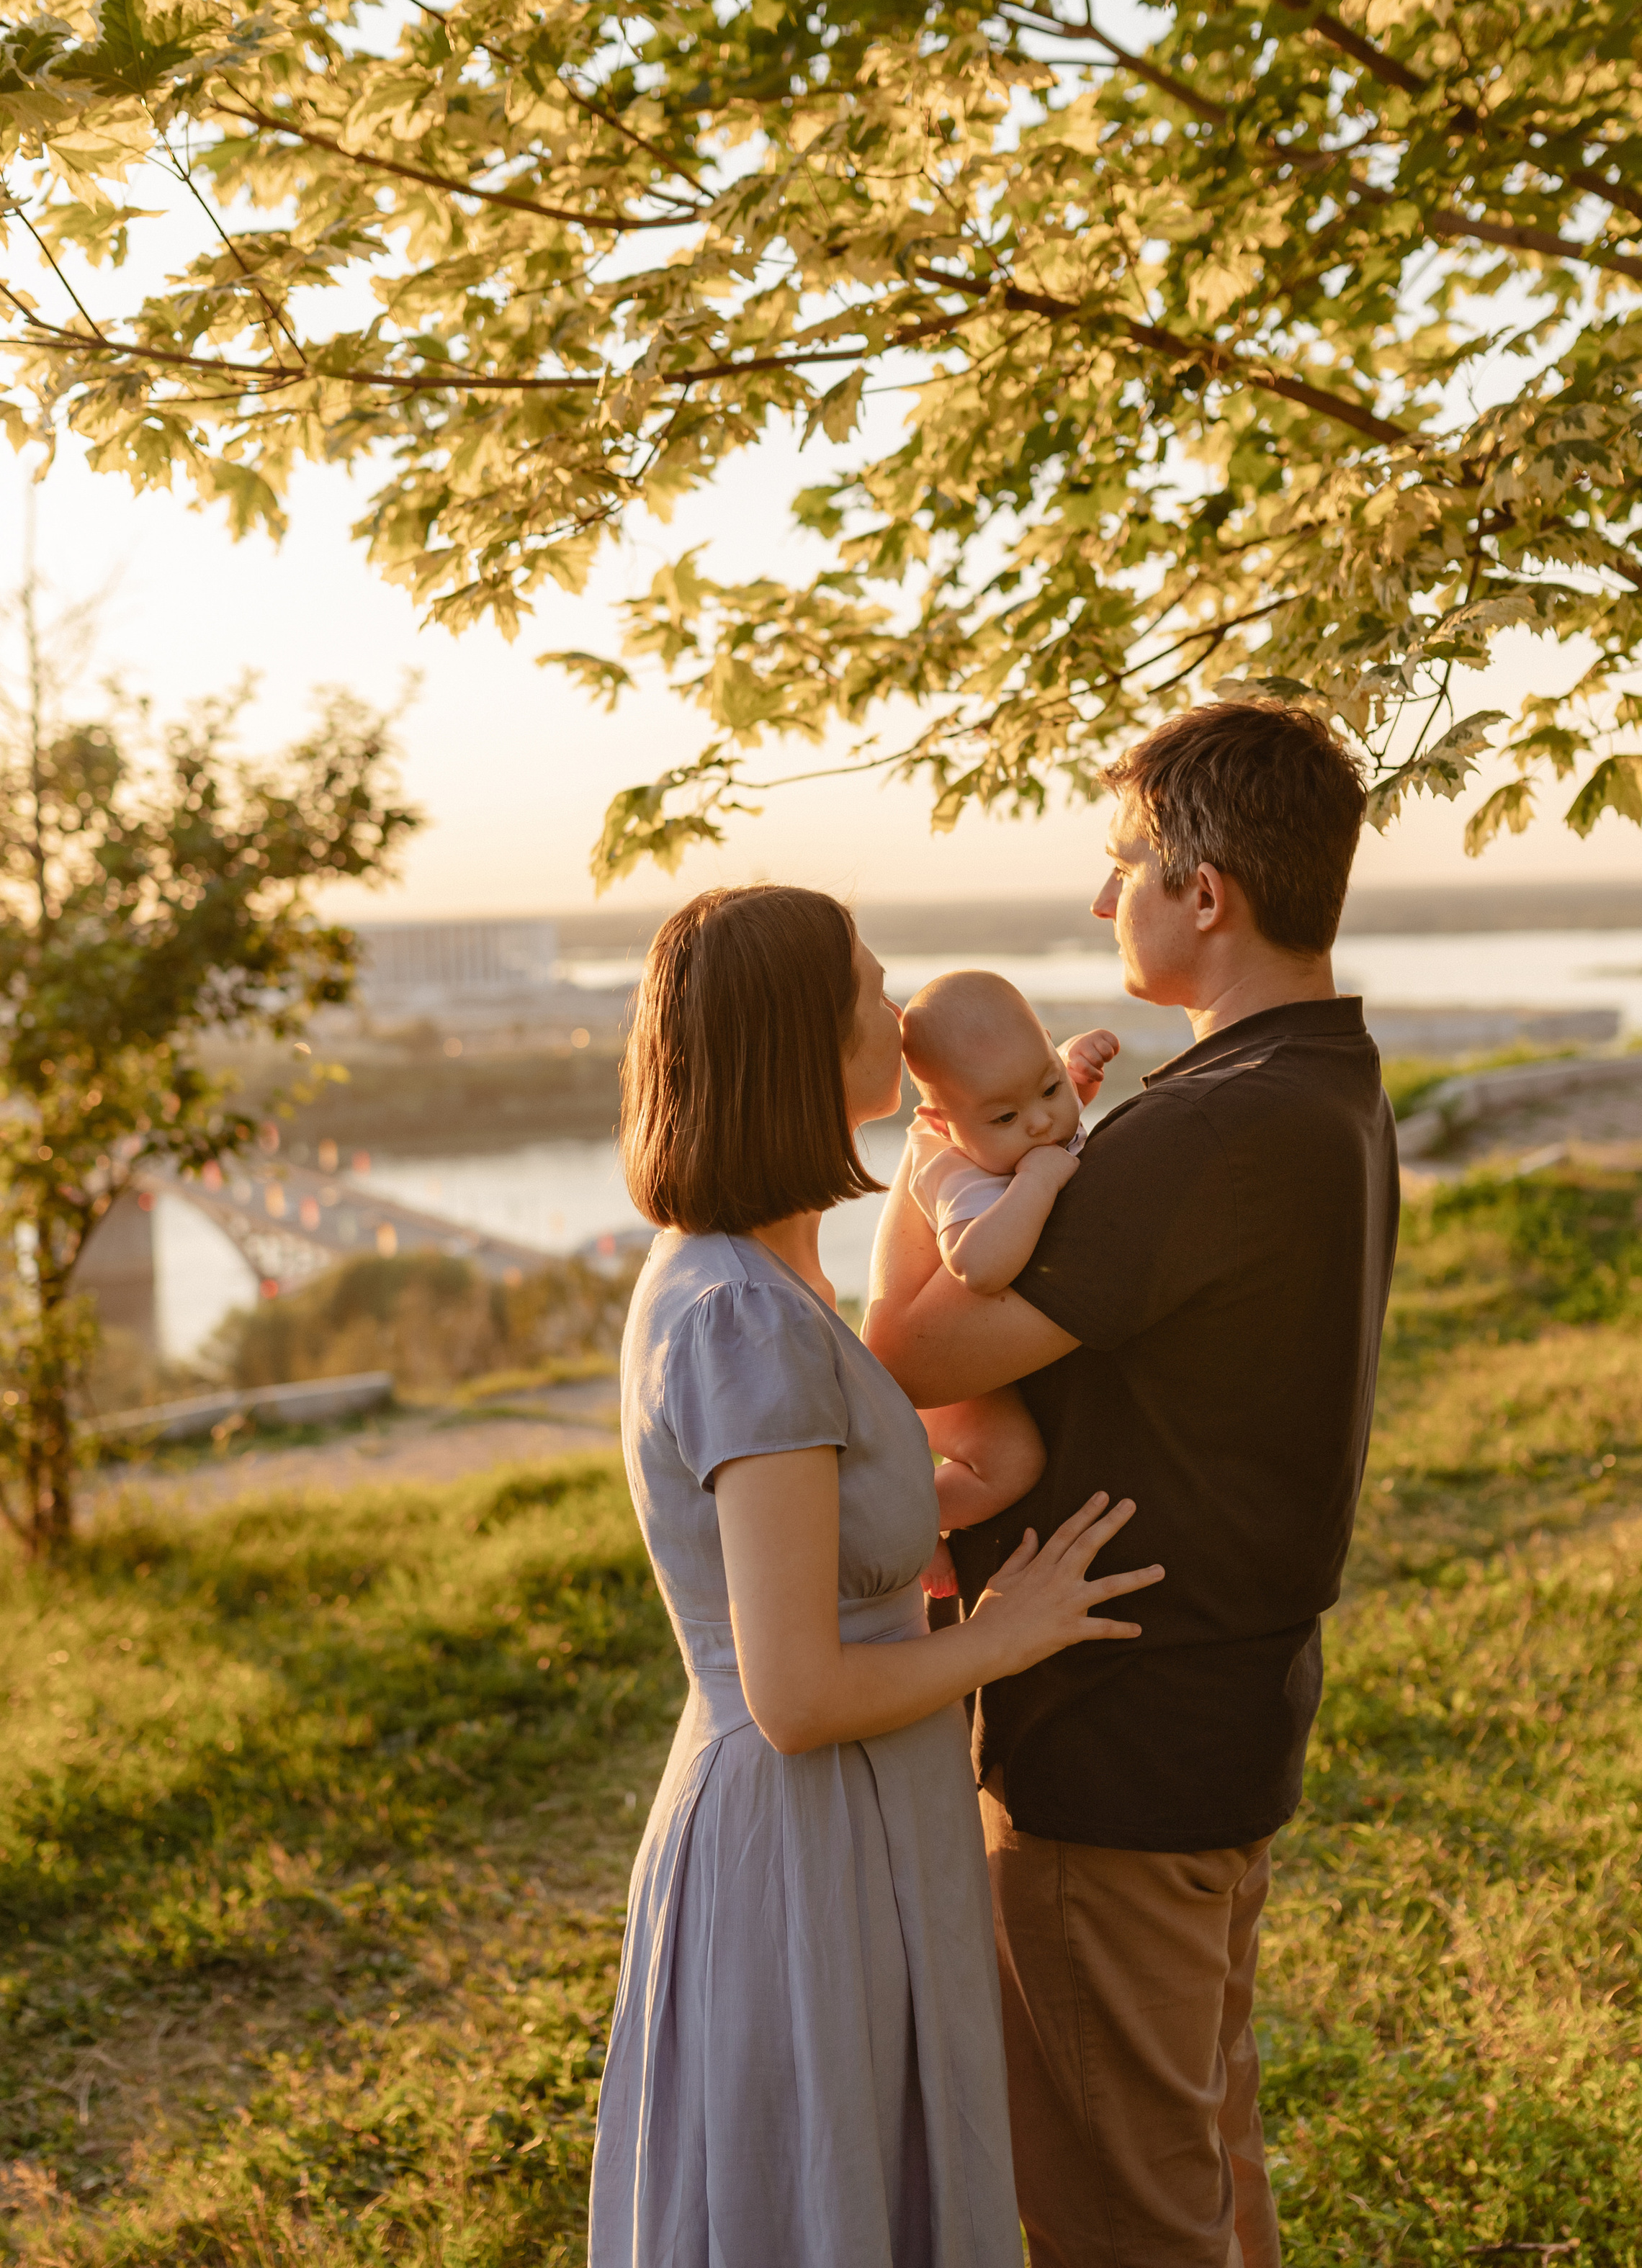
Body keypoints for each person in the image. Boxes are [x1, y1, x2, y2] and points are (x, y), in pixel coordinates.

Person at [863, 701, 1399, 2268]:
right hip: (1216, 1711)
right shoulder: (1326, 1084)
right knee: (1204, 2170)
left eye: (1121, 866)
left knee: (1121, 2215)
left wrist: (932, 1164)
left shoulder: (1210, 1124)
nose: (1104, 902)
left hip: (1115, 1738)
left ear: (1203, 891)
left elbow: (907, 1344)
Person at [588, 885, 1165, 2268]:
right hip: (805, 1825)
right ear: (798, 1044)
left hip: (854, 1812)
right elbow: (794, 1688)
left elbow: (879, 1505)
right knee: (828, 2202)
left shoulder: (764, 1271)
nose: (897, 1010)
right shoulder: (742, 1316)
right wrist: (1006, 1632)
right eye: (867, 989)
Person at [897, 974, 1119, 1596]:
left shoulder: (1021, 1112)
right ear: (941, 1122)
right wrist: (1037, 1182)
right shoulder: (956, 1170)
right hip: (931, 1383)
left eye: (1049, 1086)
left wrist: (1075, 1073)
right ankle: (908, 1524)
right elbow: (978, 1266)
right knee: (1013, 1463)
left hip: (986, 1358)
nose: (1041, 1122)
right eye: (1005, 1116)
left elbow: (1029, 1095)